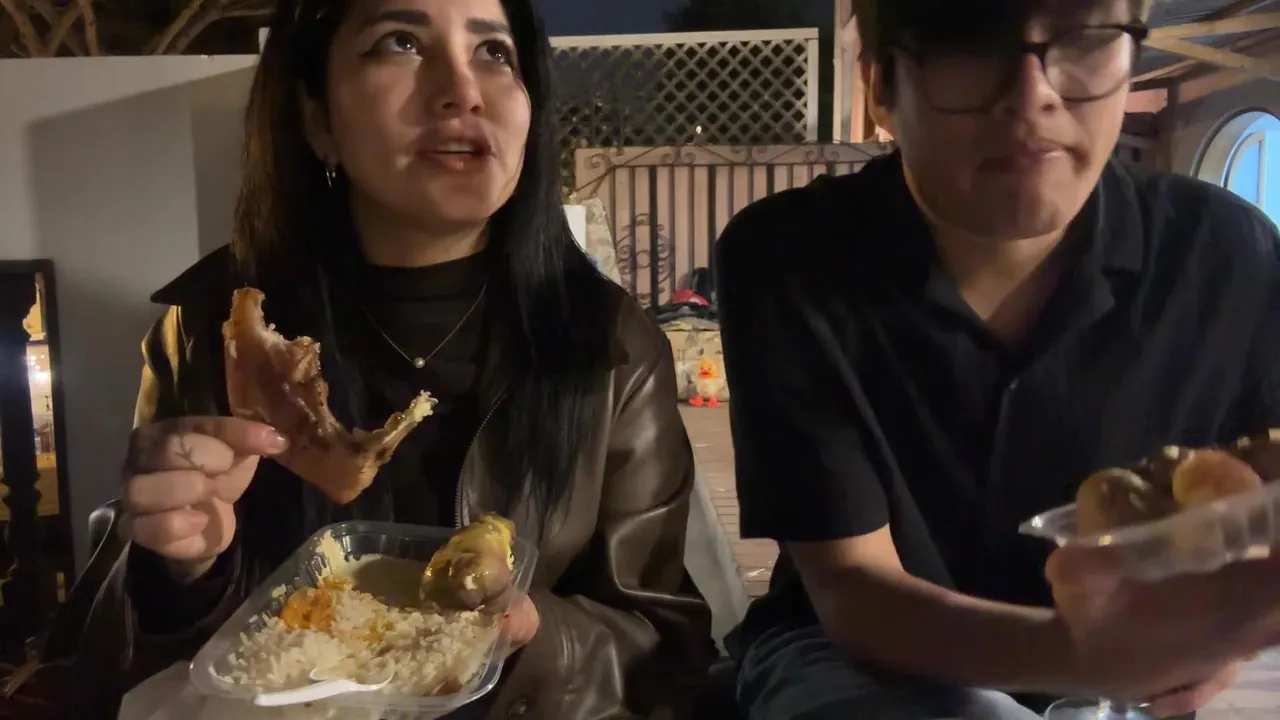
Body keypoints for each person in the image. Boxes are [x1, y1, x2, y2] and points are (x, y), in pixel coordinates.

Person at [118, 0, 712, 717]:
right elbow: (147, 655)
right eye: (399, 42)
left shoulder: (607, 346)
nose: (463, 91)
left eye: (494, 53)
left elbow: (667, 651)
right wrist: (186, 569)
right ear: (316, 117)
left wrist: (534, 634)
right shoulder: (216, 333)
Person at [716, 0, 1280, 719]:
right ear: (880, 84)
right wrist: (1095, 658)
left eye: (1083, 39)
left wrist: (1207, 635)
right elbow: (852, 589)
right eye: (969, 44)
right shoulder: (790, 257)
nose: (1033, 92)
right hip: (847, 658)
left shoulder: (1226, 256)